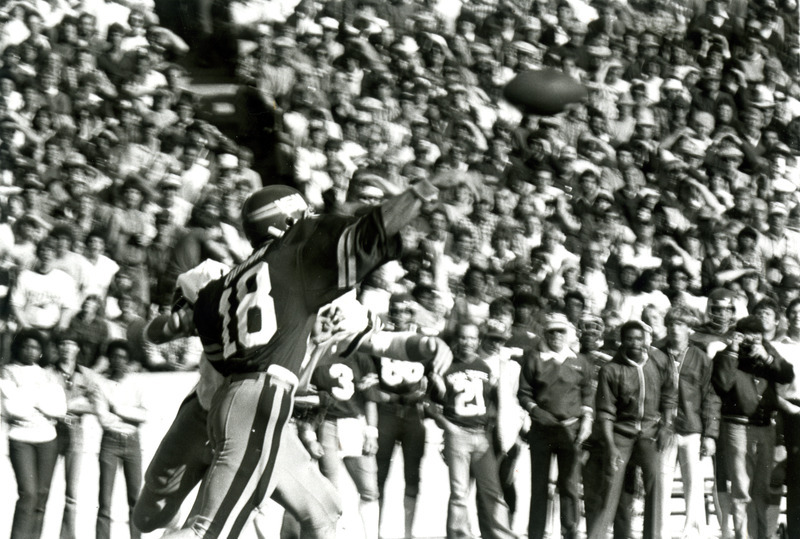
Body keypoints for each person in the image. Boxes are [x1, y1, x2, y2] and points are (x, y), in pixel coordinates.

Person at [161, 179, 439, 539]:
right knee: (208, 529)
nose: (310, 220)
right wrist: (417, 194)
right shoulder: (297, 263)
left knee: (326, 512)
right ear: (285, 227)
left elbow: (198, 338)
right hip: (258, 402)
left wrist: (165, 326)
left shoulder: (231, 279)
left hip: (246, 405)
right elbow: (368, 235)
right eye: (302, 217)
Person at [587, 320, 678, 539]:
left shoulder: (659, 362)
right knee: (610, 488)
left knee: (654, 484)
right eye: (629, 339)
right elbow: (605, 412)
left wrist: (666, 426)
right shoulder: (611, 369)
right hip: (621, 433)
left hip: (649, 431)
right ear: (622, 341)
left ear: (646, 340)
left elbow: (669, 395)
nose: (635, 343)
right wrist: (610, 446)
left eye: (639, 339)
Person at [430, 321, 515, 539]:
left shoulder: (485, 367)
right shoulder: (445, 366)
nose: (467, 342)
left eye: (472, 338)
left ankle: (503, 535)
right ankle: (460, 535)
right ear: (457, 339)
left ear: (479, 341)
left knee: (493, 491)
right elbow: (429, 405)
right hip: (457, 434)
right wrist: (448, 427)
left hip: (481, 435)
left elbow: (496, 404)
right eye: (463, 337)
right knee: (459, 493)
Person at [712, 315, 795, 539]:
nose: (752, 338)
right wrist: (733, 349)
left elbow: (787, 374)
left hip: (765, 426)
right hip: (737, 427)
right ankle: (743, 536)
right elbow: (722, 383)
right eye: (747, 334)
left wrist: (767, 358)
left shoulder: (766, 351)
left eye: (757, 334)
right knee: (741, 488)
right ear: (738, 334)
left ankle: (762, 535)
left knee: (761, 489)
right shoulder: (727, 354)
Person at [517, 312, 593, 539]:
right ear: (545, 333)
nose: (557, 336)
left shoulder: (580, 361)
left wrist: (587, 420)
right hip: (542, 430)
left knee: (569, 486)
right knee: (539, 486)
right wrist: (536, 411)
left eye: (561, 331)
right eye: (552, 331)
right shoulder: (534, 358)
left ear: (568, 334)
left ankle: (569, 533)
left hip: (571, 430)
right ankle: (536, 534)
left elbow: (588, 393)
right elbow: (523, 393)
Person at [654, 307, 720, 539]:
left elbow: (711, 396)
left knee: (694, 482)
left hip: (692, 427)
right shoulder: (656, 354)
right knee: (662, 481)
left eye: (680, 324)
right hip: (664, 429)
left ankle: (693, 531)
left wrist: (710, 434)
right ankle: (661, 532)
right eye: (671, 323)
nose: (675, 328)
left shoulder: (700, 357)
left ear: (689, 328)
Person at [0, 328, 67, 539]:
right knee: (28, 493)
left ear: (41, 351)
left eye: (35, 347)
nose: (30, 351)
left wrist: (29, 398)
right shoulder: (7, 371)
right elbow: (13, 410)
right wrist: (41, 401)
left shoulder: (49, 374)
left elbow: (60, 410)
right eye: (26, 346)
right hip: (21, 439)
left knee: (41, 495)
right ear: (18, 348)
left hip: (48, 439)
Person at [92, 339, 147, 539]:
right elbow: (104, 419)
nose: (118, 361)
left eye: (123, 357)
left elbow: (145, 415)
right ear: (109, 359)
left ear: (128, 360)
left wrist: (117, 409)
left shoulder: (136, 383)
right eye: (114, 357)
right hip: (110, 442)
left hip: (132, 442)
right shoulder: (101, 385)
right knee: (105, 501)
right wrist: (130, 414)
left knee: (135, 499)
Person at [48, 330, 96, 539]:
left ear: (77, 349)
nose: (67, 348)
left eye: (71, 344)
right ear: (58, 348)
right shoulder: (48, 373)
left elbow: (97, 405)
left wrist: (69, 406)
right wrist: (71, 404)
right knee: (43, 489)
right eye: (63, 344)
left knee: (72, 493)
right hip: (51, 430)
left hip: (75, 431)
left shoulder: (86, 375)